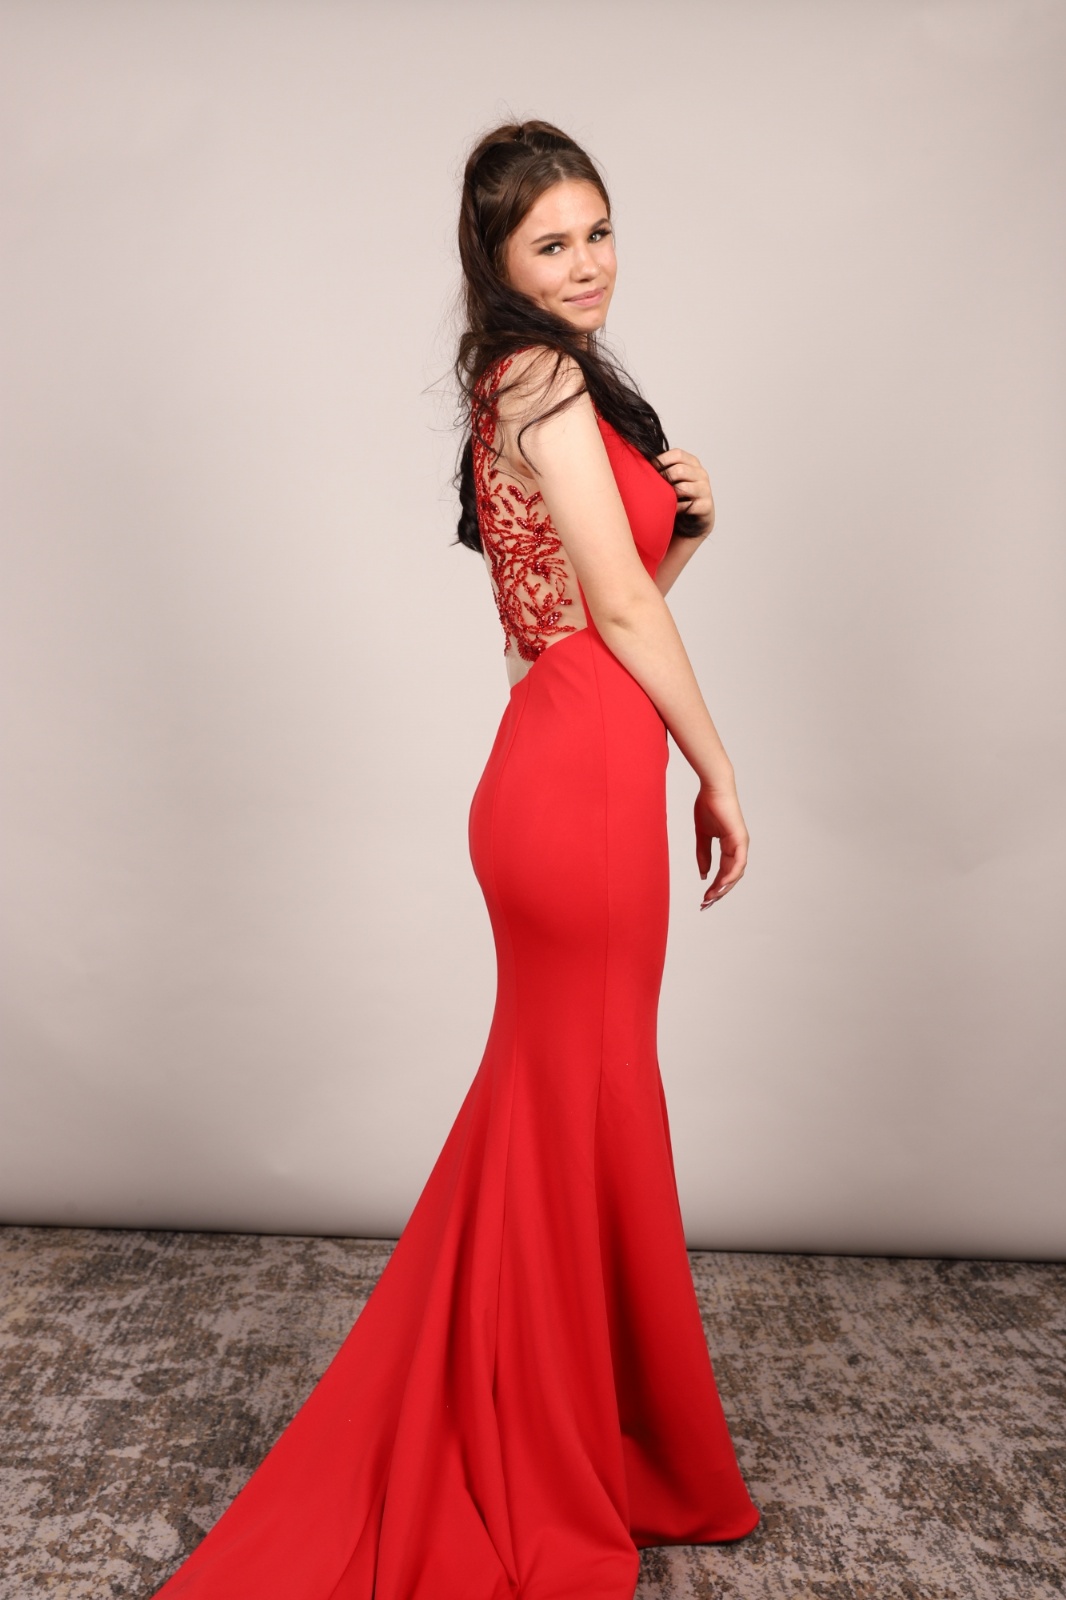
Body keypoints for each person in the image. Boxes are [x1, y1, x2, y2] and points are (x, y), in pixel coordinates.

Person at [151, 118, 759, 1600]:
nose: (587, 263)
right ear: (495, 261)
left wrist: (686, 531)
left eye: (598, 232)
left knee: (572, 1116)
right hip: (578, 789)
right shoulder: (542, 378)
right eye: (552, 244)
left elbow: (583, 616)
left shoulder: (520, 384)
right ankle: (542, 1453)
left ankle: (576, 1435)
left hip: (561, 765)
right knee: (576, 1116)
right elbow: (613, 625)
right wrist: (721, 766)